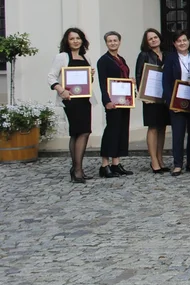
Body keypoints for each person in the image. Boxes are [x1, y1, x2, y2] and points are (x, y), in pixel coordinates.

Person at [48, 27, 94, 183]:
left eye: (78, 38)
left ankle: (75, 168)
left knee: (81, 132)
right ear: (67, 42)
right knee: (80, 131)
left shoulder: (85, 57)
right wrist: (61, 90)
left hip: (84, 99)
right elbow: (51, 76)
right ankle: (78, 170)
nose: (75, 41)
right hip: (70, 100)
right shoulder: (62, 57)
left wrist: (91, 76)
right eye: (72, 38)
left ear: (82, 40)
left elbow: (87, 82)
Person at [96, 31, 133, 178]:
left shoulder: (121, 59)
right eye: (109, 41)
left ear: (119, 42)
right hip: (112, 102)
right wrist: (107, 101)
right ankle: (104, 165)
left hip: (124, 101)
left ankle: (116, 164)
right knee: (111, 131)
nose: (113, 43)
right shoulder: (103, 60)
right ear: (106, 43)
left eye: (115, 40)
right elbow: (102, 83)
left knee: (121, 130)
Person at [162, 29, 190, 176]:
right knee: (178, 133)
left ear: (189, 41)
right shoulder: (170, 59)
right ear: (174, 44)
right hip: (177, 100)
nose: (182, 43)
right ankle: (177, 164)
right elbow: (166, 82)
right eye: (179, 41)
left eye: (184, 40)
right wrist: (171, 102)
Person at [135, 28, 167, 174]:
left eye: (155, 37)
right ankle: (154, 161)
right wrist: (143, 96)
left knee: (162, 128)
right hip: (150, 98)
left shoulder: (166, 54)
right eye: (150, 39)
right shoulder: (144, 55)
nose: (154, 40)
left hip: (164, 97)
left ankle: (160, 159)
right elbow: (139, 75)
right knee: (153, 127)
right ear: (146, 42)